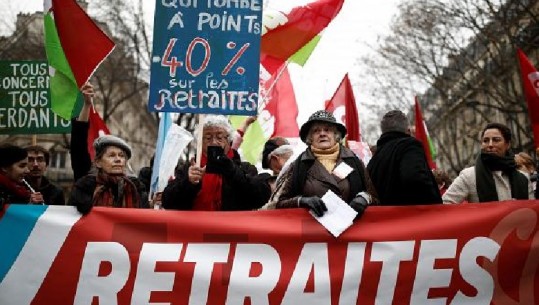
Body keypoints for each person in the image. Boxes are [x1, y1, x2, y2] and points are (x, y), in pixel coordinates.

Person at [261, 110, 377, 218]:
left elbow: (374, 197)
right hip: (312, 235)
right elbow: (276, 203)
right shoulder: (298, 165)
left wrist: (364, 198)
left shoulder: (354, 161)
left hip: (351, 233)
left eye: (327, 130)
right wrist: (301, 201)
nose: (322, 134)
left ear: (336, 135)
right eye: (316, 131)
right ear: (310, 137)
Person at [68, 83, 148, 214]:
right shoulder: (87, 184)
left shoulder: (136, 189)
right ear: (98, 162)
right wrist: (87, 105)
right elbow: (78, 147)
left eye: (122, 156)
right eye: (111, 155)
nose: (118, 159)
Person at [162, 115, 271, 211]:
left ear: (229, 140)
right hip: (195, 232)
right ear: (200, 142)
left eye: (219, 137)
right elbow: (167, 202)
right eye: (208, 138)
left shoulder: (244, 168)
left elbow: (259, 198)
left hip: (231, 232)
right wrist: (188, 182)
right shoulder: (189, 169)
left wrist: (232, 172)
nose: (214, 142)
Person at [443, 123, 533, 203]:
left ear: (507, 144)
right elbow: (445, 205)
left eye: (496, 140)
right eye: (485, 140)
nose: (490, 144)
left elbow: (531, 210)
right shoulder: (469, 175)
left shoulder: (523, 178)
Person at [367, 110, 442, 205]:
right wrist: (434, 202)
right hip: (416, 216)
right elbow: (415, 179)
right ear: (408, 130)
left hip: (386, 217)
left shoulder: (374, 160)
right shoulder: (410, 146)